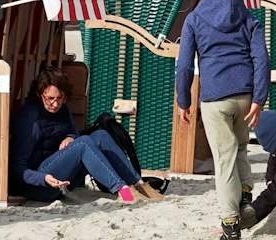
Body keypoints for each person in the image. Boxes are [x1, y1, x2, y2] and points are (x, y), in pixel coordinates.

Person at [174, 0, 269, 240]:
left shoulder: (193, 19)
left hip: (215, 96)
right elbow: (261, 58)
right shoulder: (246, 14)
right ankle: (245, 200)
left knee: (224, 159)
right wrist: (259, 98)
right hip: (245, 94)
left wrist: (184, 100)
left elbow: (184, 66)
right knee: (240, 149)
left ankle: (230, 225)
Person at [9, 69, 162, 205]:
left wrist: (70, 136)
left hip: (65, 178)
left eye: (60, 98)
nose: (55, 104)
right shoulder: (30, 119)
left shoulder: (62, 109)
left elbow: (75, 132)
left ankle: (139, 184)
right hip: (40, 185)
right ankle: (123, 191)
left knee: (100, 135)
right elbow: (17, 168)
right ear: (39, 94)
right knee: (83, 143)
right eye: (50, 98)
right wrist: (43, 179)